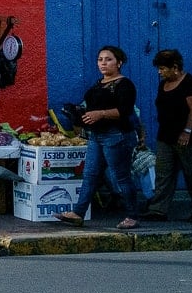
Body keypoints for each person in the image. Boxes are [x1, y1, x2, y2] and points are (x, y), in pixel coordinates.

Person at [58, 45, 142, 229]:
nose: (103, 63)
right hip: (96, 135)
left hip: (116, 136)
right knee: (90, 174)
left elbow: (124, 110)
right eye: (100, 59)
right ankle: (78, 213)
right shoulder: (98, 83)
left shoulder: (124, 85)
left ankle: (132, 216)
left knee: (122, 177)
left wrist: (101, 114)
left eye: (108, 59)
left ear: (119, 63)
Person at [141, 49, 192, 222]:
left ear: (175, 67)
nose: (160, 72)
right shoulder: (163, 84)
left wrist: (187, 131)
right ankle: (158, 209)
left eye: (163, 68)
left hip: (189, 139)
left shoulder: (190, 84)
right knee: (163, 174)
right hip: (165, 137)